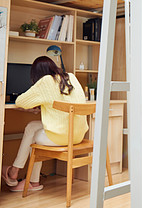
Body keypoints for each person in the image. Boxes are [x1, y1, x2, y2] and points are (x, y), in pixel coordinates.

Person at [1, 56, 87, 192]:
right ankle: (32, 181)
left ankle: (15, 171)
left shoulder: (45, 81)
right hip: (77, 135)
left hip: (62, 137)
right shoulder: (71, 77)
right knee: (32, 127)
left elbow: (20, 101)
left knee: (33, 136)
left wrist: (35, 104)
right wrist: (43, 106)